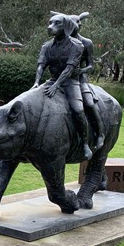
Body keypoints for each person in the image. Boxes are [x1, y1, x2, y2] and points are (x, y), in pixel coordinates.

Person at [33, 13, 92, 160]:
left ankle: (85, 144)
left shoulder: (77, 45)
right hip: (52, 80)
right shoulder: (46, 46)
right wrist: (36, 82)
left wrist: (57, 85)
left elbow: (69, 69)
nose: (50, 27)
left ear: (66, 26)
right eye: (50, 23)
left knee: (78, 110)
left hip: (70, 82)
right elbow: (41, 66)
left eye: (56, 24)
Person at [61, 11, 105, 151]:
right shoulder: (62, 42)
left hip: (79, 81)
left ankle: (100, 134)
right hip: (62, 79)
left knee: (90, 104)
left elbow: (91, 65)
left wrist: (81, 71)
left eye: (77, 23)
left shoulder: (86, 43)